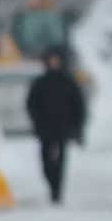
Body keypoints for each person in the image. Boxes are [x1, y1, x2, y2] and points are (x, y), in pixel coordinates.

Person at [27, 47, 88, 204]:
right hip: (45, 127)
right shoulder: (40, 83)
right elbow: (31, 104)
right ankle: (51, 183)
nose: (53, 63)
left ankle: (57, 190)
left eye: (56, 60)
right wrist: (37, 120)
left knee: (60, 160)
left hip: (63, 127)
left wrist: (77, 126)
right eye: (51, 60)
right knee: (45, 160)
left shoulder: (68, 82)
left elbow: (78, 106)